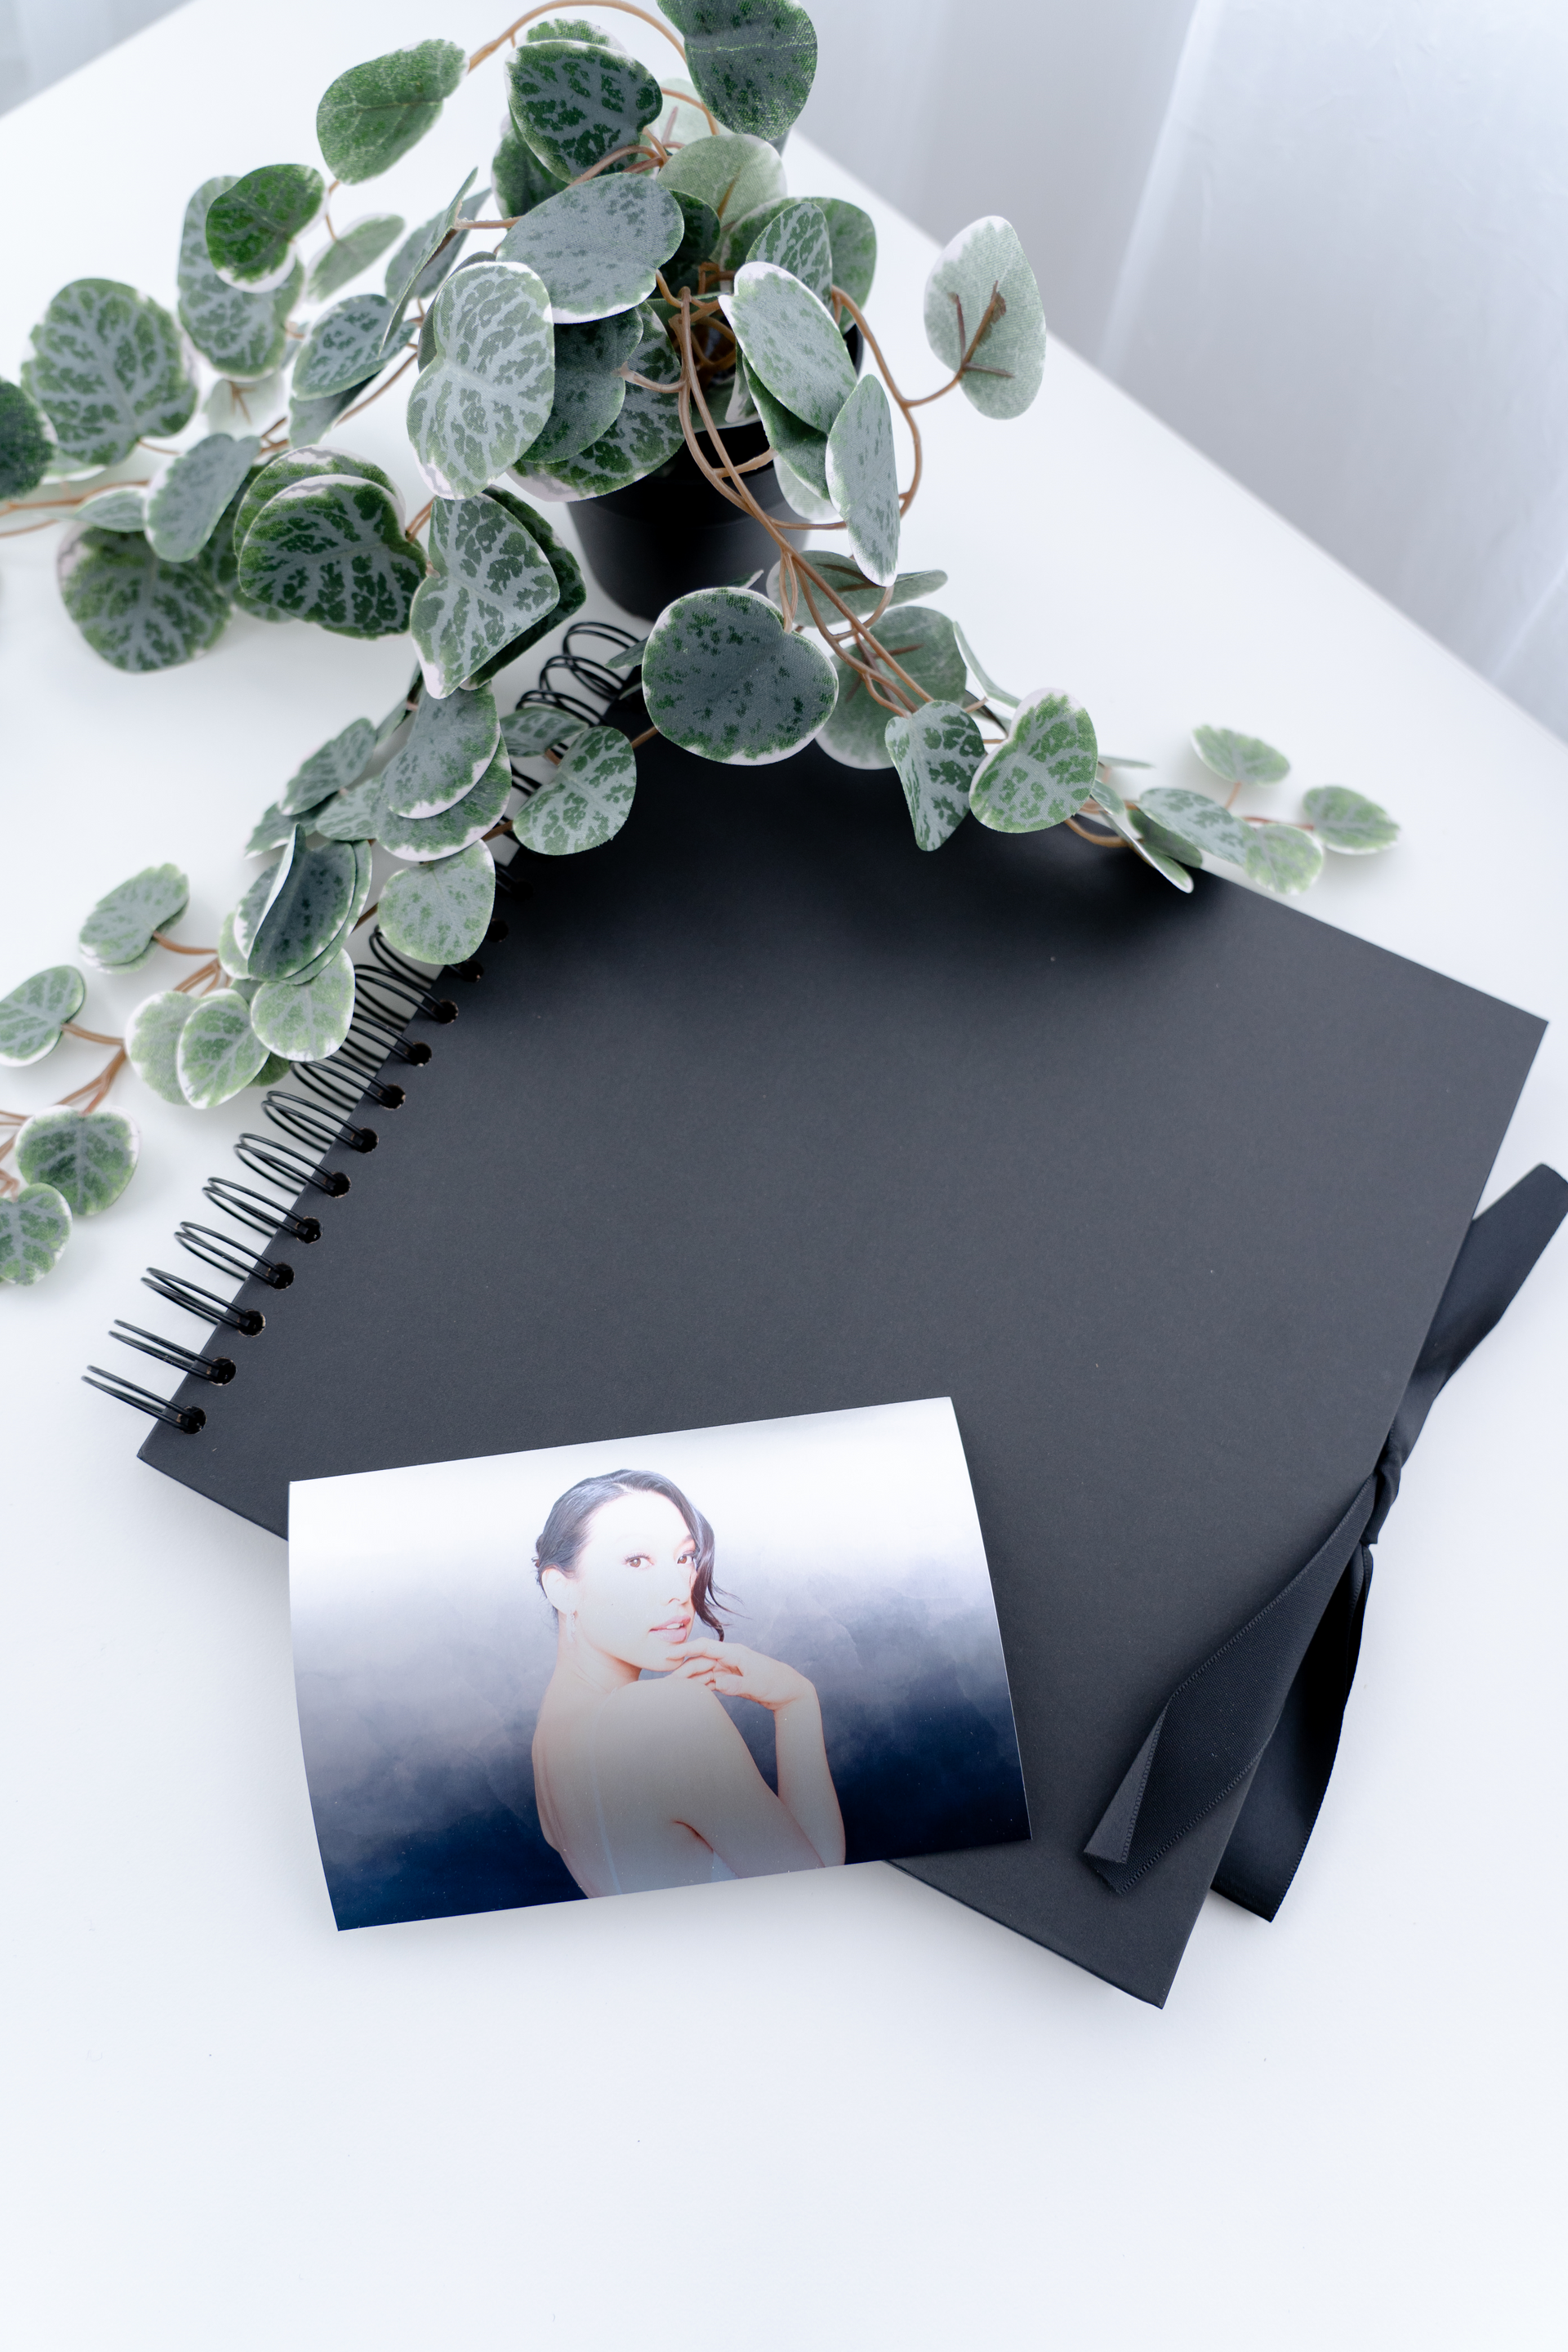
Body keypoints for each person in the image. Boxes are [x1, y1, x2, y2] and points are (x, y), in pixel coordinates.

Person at [529, 1469, 845, 1897]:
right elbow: (821, 1896)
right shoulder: (668, 1715)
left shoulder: (550, 1738)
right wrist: (796, 1703)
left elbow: (815, 1868)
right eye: (636, 1561)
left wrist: (796, 1700)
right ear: (561, 1589)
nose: (679, 1590)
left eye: (684, 1558)